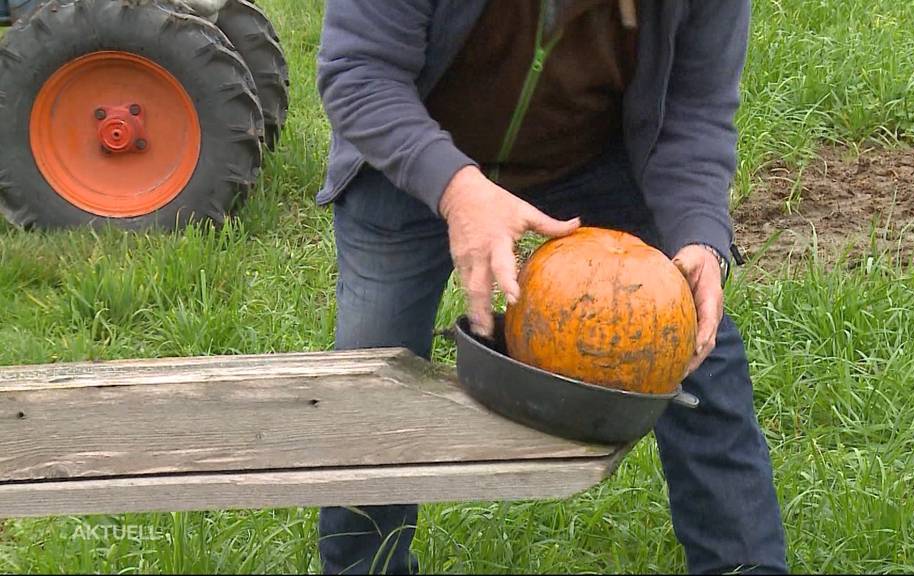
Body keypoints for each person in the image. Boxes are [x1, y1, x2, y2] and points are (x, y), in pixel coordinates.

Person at [314, 0, 787, 573]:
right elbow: (358, 73)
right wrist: (459, 189)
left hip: (587, 159)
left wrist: (702, 239)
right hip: (409, 158)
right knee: (371, 376)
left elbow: (696, 112)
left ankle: (743, 565)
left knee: (693, 344)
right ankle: (365, 566)